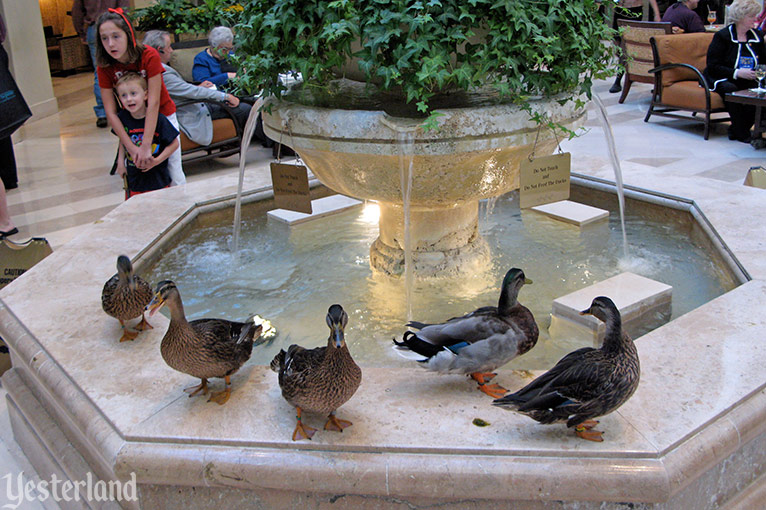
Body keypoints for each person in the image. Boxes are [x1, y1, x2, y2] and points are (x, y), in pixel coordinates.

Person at [95, 8, 185, 186]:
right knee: (142, 176)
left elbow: (154, 102)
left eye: (116, 36)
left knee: (173, 170)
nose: (111, 44)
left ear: (128, 35)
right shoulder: (104, 66)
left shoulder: (148, 55)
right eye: (104, 38)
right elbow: (111, 112)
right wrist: (132, 147)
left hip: (162, 116)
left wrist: (146, 145)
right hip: (133, 122)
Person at [142, 30, 251, 145]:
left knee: (247, 102)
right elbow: (192, 91)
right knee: (244, 109)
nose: (171, 50)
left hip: (197, 101)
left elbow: (183, 88)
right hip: (193, 109)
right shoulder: (162, 72)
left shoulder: (152, 69)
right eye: (169, 47)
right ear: (160, 50)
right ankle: (263, 143)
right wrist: (225, 96)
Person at [704, 0, 765, 142]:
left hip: (750, 78)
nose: (756, 19)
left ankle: (737, 129)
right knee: (730, 89)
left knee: (760, 92)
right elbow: (713, 66)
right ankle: (741, 133)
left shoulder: (757, 36)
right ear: (741, 17)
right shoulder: (723, 36)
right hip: (722, 76)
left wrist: (759, 74)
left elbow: (763, 62)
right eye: (752, 16)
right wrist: (737, 73)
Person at [113, 72, 179, 199]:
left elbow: (174, 143)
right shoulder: (122, 118)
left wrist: (157, 161)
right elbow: (122, 140)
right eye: (124, 95)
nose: (129, 99)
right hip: (135, 181)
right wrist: (120, 162)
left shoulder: (158, 119)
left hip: (158, 178)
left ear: (146, 94)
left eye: (133, 93)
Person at [71, 0, 128, 128]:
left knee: (100, 71)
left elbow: (77, 11)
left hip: (94, 27)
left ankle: (102, 113)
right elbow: (124, 7)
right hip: (115, 26)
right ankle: (126, 105)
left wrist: (81, 31)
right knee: (123, 67)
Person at [610, 0, 663, 93]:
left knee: (625, 46)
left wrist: (656, 14)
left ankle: (618, 80)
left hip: (634, 9)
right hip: (619, 8)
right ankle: (631, 70)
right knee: (617, 46)